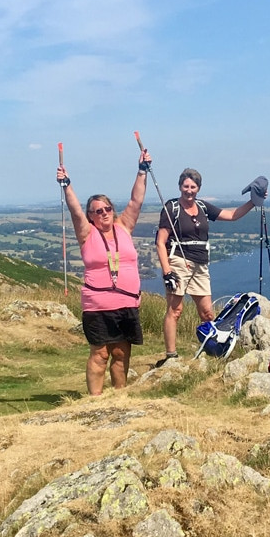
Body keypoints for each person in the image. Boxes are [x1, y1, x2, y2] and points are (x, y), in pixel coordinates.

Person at [56, 147, 151, 394]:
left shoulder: (123, 227)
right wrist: (67, 185)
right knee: (100, 354)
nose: (104, 213)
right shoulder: (87, 233)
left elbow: (136, 201)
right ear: (91, 216)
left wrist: (142, 171)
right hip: (98, 305)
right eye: (98, 211)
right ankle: (95, 402)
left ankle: (119, 398)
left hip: (127, 302)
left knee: (121, 352)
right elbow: (75, 211)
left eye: (107, 208)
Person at [154, 169, 264, 366]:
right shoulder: (172, 208)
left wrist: (253, 202)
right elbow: (160, 242)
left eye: (193, 187)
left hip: (200, 264)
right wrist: (167, 271)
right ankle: (171, 356)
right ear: (180, 187)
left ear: (198, 188)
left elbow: (231, 215)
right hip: (178, 261)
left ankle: (212, 350)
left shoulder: (203, 207)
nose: (189, 191)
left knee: (207, 313)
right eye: (186, 186)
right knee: (175, 310)